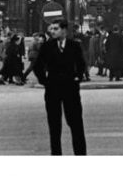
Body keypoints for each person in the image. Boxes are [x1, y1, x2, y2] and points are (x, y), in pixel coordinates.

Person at [33, 19, 87, 155]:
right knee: (54, 126)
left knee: (76, 124)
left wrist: (78, 77)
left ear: (64, 30)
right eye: (51, 29)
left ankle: (80, 155)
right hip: (53, 88)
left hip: (70, 88)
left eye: (55, 29)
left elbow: (81, 63)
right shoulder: (47, 46)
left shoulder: (74, 45)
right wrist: (44, 81)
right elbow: (37, 65)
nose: (52, 31)